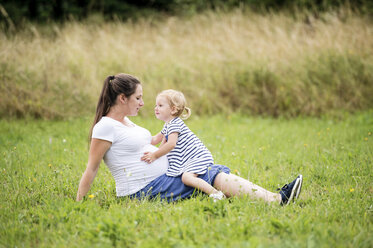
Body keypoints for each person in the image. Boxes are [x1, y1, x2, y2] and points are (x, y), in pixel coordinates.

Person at [76, 73, 303, 206]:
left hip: (162, 179)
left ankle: (267, 196)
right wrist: (80, 204)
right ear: (123, 98)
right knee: (210, 174)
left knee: (210, 170)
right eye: (138, 98)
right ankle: (276, 200)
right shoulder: (105, 127)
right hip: (144, 189)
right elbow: (91, 169)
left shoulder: (126, 122)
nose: (142, 103)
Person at [140, 89, 225, 201]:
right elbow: (155, 139)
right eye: (156, 105)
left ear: (173, 109)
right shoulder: (168, 125)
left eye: (160, 105)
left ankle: (216, 194)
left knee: (186, 178)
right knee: (184, 177)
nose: (156, 108)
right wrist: (137, 139)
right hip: (189, 159)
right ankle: (208, 192)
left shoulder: (175, 124)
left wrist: (154, 155)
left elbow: (171, 144)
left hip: (197, 157)